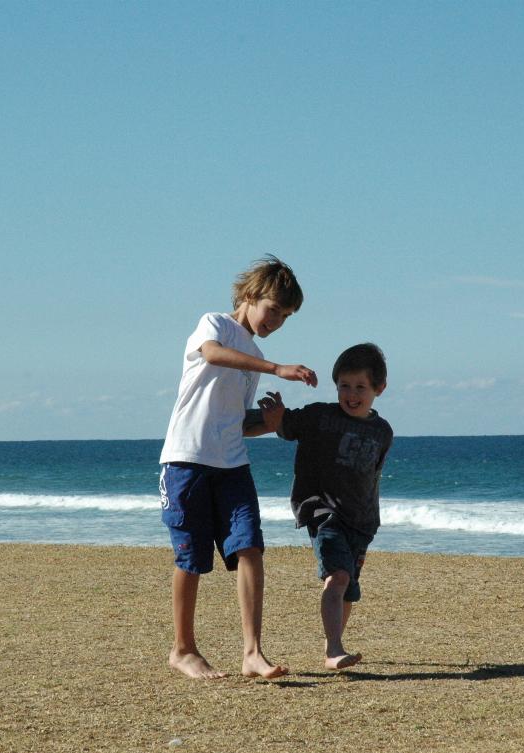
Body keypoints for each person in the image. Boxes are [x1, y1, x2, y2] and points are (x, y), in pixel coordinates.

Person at [159, 255, 318, 680]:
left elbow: (236, 422)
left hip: (232, 464)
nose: (278, 321)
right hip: (187, 459)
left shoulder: (255, 354)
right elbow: (212, 355)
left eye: (286, 316)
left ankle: (252, 653)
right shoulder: (214, 325)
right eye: (274, 310)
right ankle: (183, 649)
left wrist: (268, 424)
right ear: (250, 296)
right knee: (191, 557)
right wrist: (275, 368)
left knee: (249, 548)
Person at [260, 343, 393, 670]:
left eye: (360, 387)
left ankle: (332, 645)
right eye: (344, 386)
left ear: (379, 389)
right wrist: (276, 418)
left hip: (361, 523)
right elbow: (287, 425)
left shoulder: (382, 431)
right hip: (324, 512)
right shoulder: (320, 416)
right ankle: (334, 649)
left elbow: (371, 477)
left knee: (348, 589)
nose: (351, 394)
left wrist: (372, 521)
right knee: (337, 577)